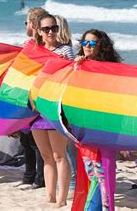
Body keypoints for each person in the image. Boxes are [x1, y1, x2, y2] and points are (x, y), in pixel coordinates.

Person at [74, 29, 122, 210]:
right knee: (90, 173)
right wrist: (77, 67)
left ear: (101, 46)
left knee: (101, 176)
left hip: (103, 129)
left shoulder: (110, 69)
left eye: (92, 43)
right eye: (84, 42)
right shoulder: (80, 66)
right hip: (84, 129)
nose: (87, 46)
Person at [31, 14, 74, 207]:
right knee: (46, 156)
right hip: (36, 108)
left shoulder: (65, 50)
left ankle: (62, 198)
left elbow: (73, 77)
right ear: (39, 32)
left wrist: (65, 63)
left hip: (56, 108)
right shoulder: (34, 52)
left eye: (54, 28)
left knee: (59, 155)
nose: (50, 32)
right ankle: (50, 195)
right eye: (46, 29)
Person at [19, 8, 48, 188]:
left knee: (35, 139)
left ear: (33, 24)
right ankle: (30, 174)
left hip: (37, 95)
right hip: (27, 94)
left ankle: (39, 176)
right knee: (26, 137)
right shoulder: (28, 44)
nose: (25, 25)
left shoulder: (42, 46)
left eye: (26, 22)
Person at [54, 15, 77, 193]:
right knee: (61, 146)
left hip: (63, 101)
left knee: (67, 145)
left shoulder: (66, 50)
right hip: (55, 99)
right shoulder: (55, 48)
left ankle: (72, 181)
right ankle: (67, 180)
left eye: (54, 28)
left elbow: (69, 73)